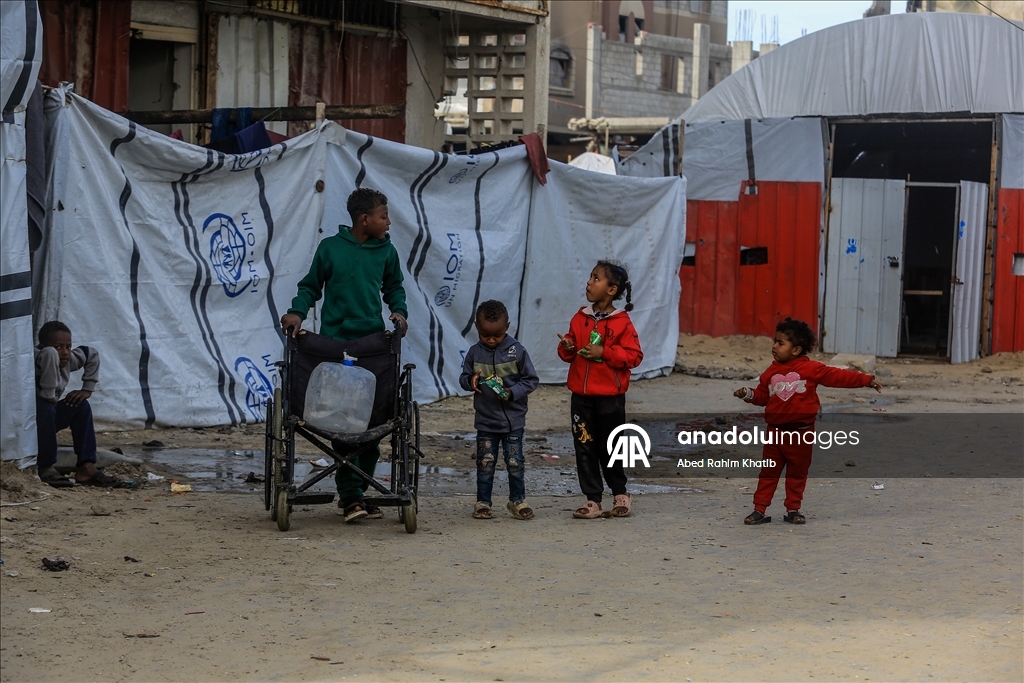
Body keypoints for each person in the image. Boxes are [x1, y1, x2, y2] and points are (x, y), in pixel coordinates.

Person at [281, 187, 408, 522]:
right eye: (384, 216)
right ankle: (351, 495)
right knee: (342, 419)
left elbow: (394, 286)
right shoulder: (330, 249)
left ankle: (359, 490)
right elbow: (310, 286)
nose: (388, 222)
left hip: (372, 345)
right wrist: (297, 311)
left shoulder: (387, 251)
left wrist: (399, 311)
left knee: (373, 422)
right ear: (364, 220)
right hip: (335, 346)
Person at [734, 317, 882, 525]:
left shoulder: (811, 369)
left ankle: (793, 510)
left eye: (780, 343)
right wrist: (747, 394)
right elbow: (763, 397)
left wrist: (865, 380)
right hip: (775, 433)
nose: (774, 347)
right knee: (768, 473)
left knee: (797, 473)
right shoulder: (769, 373)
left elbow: (838, 377)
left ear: (796, 350)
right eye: (774, 342)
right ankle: (759, 510)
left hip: (802, 433)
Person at [557, 260, 644, 519]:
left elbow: (634, 356)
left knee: (611, 447)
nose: (589, 282)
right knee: (585, 446)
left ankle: (620, 492)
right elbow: (568, 353)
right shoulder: (579, 317)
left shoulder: (622, 323)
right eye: (590, 277)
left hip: (610, 400)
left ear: (611, 290)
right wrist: (568, 347)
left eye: (596, 278)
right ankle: (592, 500)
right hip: (581, 399)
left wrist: (604, 352)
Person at [459, 300, 539, 520]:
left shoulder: (517, 351)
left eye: (497, 335)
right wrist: (471, 381)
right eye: (486, 335)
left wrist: (512, 392)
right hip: (486, 421)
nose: (492, 340)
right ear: (477, 327)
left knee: (515, 463)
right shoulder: (475, 353)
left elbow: (531, 380)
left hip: (514, 421)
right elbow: (464, 379)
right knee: (485, 463)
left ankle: (517, 501)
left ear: (508, 327)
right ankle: (483, 502)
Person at [34, 321, 118, 488]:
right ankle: (46, 467)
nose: (64, 353)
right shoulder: (33, 357)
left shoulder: (66, 358)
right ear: (42, 347)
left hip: (47, 419)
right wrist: (49, 394)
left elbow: (91, 354)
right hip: (26, 422)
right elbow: (48, 355)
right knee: (45, 405)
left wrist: (87, 389)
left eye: (68, 347)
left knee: (81, 405)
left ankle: (86, 467)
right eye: (58, 347)